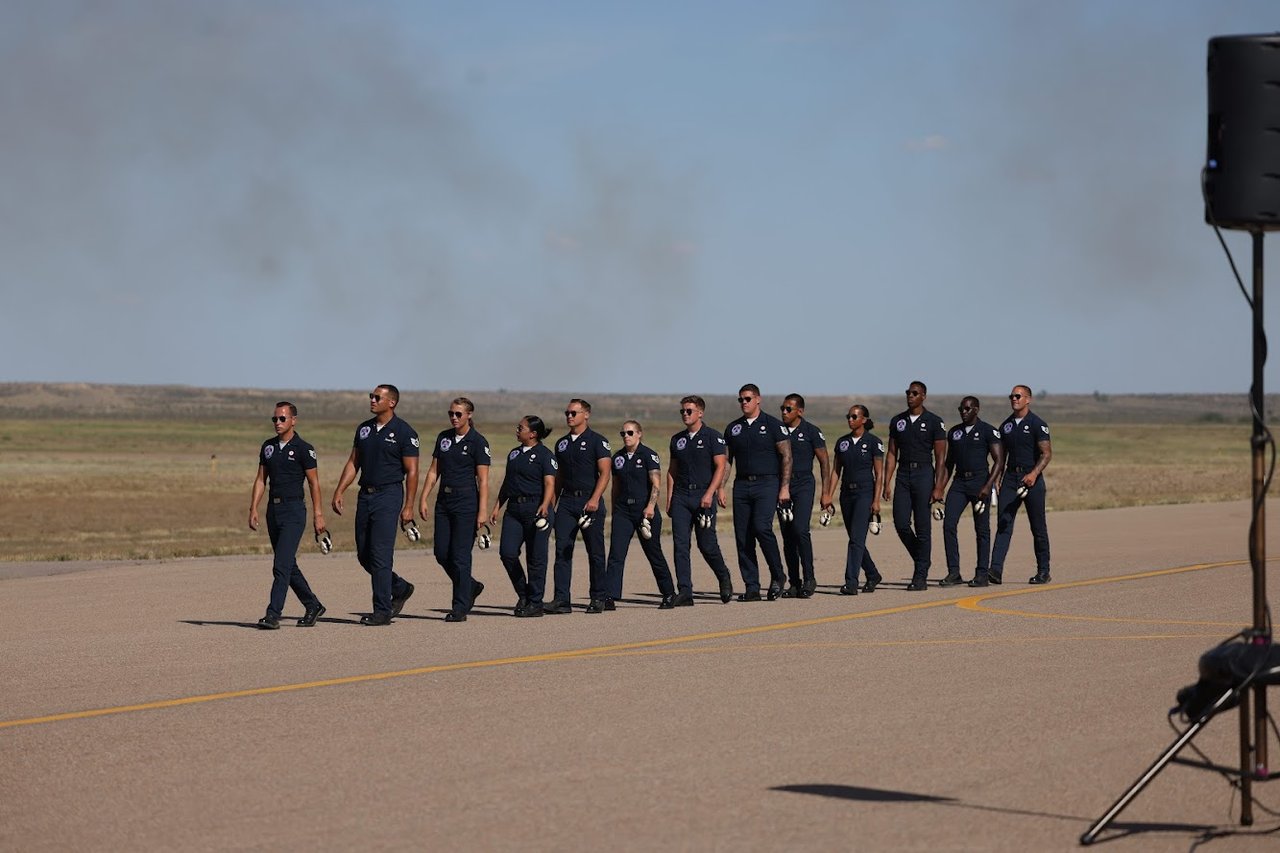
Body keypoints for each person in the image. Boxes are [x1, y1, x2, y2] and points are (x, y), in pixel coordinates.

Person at [331, 385, 420, 626]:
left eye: (377, 397)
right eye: (371, 396)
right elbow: (353, 463)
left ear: (391, 402)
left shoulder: (404, 432)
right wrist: (340, 489)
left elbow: (412, 471)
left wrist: (409, 506)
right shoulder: (364, 429)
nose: (372, 399)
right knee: (364, 554)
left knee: (380, 555)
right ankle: (399, 587)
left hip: (389, 495)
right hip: (365, 495)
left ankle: (382, 611)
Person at [248, 401, 327, 629]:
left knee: (280, 565)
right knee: (287, 564)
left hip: (294, 511)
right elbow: (261, 479)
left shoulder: (304, 448)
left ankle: (273, 614)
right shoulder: (268, 447)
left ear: (293, 420)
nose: (278, 423)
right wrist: (253, 507)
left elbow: (314, 483)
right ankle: (313, 604)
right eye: (275, 419)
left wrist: (318, 515)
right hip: (274, 511)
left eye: (282, 419)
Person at [418, 397, 490, 622]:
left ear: (469, 415)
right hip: (444, 501)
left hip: (466, 501)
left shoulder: (478, 442)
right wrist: (423, 498)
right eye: (451, 413)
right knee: (441, 553)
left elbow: (483, 480)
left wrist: (482, 510)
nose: (454, 418)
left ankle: (459, 607)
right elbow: (433, 471)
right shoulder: (444, 438)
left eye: (458, 414)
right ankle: (470, 585)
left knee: (460, 556)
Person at [975, 385, 1054, 587]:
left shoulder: (1038, 424)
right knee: (1004, 523)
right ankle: (996, 570)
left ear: (1028, 399)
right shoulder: (1006, 426)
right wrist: (998, 481)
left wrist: (1034, 474)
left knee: (1038, 526)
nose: (1014, 399)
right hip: (1011, 478)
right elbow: (1001, 458)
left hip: (1032, 479)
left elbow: (1046, 454)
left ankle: (1043, 570)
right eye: (1011, 396)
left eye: (1018, 396)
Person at [720, 384, 793, 601]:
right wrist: (720, 487)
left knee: (762, 528)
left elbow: (787, 457)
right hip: (741, 486)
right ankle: (752, 586)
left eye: (748, 399)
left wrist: (785, 487)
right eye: (741, 399)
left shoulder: (773, 425)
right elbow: (726, 461)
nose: (744, 403)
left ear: (758, 399)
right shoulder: (733, 428)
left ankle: (778, 575)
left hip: (767, 484)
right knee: (743, 536)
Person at [666, 396, 735, 605]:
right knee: (680, 545)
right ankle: (685, 591)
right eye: (682, 411)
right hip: (681, 497)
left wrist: (710, 493)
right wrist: (669, 498)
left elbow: (721, 467)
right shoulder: (677, 439)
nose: (685, 415)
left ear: (700, 413)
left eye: (689, 411)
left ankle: (723, 576)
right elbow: (672, 470)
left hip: (703, 496)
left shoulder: (713, 437)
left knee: (706, 544)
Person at [488, 416, 557, 617]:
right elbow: (507, 483)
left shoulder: (545, 455)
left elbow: (550, 484)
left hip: (537, 510)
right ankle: (524, 593)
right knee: (507, 553)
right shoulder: (514, 454)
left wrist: (545, 505)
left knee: (536, 558)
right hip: (514, 510)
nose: (516, 430)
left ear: (533, 434)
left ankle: (535, 603)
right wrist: (497, 507)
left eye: (521, 428)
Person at [882, 381, 947, 590]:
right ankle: (922, 558)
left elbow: (940, 457)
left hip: (924, 474)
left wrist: (938, 486)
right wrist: (886, 482)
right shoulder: (898, 421)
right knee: (901, 523)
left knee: (922, 527)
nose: (910, 395)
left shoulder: (934, 422)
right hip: (903, 474)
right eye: (908, 392)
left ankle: (920, 576)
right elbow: (892, 453)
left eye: (914, 393)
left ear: (923, 396)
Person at [605, 420, 677, 609]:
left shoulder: (648, 455)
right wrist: (614, 512)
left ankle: (669, 593)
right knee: (616, 554)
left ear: (639, 434)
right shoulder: (618, 458)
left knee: (653, 553)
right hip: (623, 512)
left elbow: (656, 483)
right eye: (623, 433)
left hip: (645, 511)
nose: (626, 437)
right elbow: (615, 487)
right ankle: (610, 596)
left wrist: (651, 507)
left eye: (629, 433)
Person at [549, 398, 612, 614]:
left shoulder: (598, 441)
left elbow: (605, 473)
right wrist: (551, 506)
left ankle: (598, 597)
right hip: (566, 502)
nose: (569, 416)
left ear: (586, 415)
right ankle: (561, 600)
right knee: (562, 550)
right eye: (567, 412)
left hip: (589, 501)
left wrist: (594, 499)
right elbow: (558, 477)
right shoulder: (562, 444)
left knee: (595, 552)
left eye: (573, 413)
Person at [938, 396, 1003, 587]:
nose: (963, 412)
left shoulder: (988, 431)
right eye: (961, 409)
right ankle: (954, 572)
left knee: (981, 529)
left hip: (980, 481)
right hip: (959, 483)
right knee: (949, 524)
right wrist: (940, 487)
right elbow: (949, 463)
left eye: (967, 409)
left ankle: (982, 573)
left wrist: (988, 485)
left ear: (976, 409)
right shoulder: (954, 433)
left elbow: (999, 461)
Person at [822, 405, 884, 594]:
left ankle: (851, 582)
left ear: (864, 419)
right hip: (846, 495)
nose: (850, 419)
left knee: (856, 540)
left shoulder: (874, 442)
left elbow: (879, 474)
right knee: (855, 539)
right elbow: (835, 471)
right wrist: (827, 495)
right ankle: (873, 574)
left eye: (854, 416)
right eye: (848, 416)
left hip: (865, 493)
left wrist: (876, 501)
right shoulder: (842, 443)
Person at [778, 394, 831, 598]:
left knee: (800, 530)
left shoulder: (811, 431)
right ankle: (795, 582)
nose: (784, 412)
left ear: (799, 411)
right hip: (783, 486)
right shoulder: (778, 430)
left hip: (804, 484)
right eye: (782, 408)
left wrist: (826, 493)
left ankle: (809, 578)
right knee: (787, 536)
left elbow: (824, 462)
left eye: (788, 409)